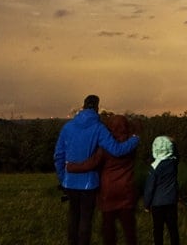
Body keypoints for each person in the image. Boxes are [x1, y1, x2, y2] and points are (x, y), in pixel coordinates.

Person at [53, 95, 140, 245]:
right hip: (89, 183)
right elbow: (116, 150)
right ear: (97, 108)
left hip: (70, 181)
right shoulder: (99, 128)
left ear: (83, 106)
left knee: (73, 217)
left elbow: (58, 155)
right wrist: (134, 139)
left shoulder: (68, 127)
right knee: (86, 219)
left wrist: (63, 177)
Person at [143, 135, 180, 245]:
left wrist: (146, 204)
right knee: (173, 229)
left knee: (158, 230)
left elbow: (149, 188)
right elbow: (177, 154)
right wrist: (173, 142)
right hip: (171, 201)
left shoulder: (154, 167)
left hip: (157, 204)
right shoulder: (173, 163)